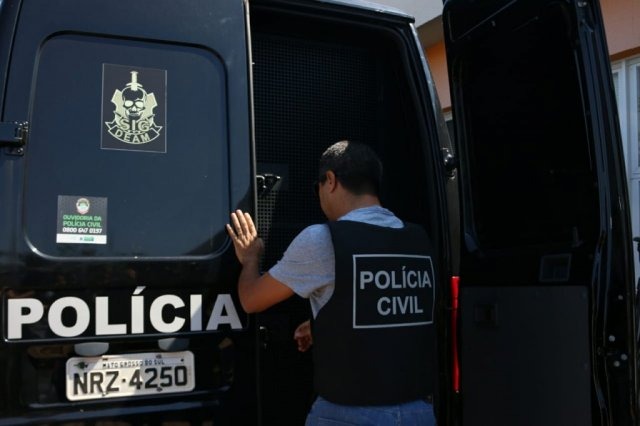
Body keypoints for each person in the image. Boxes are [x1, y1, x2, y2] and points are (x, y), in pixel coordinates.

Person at [226, 140, 437, 426]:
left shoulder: (322, 239)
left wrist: (251, 258)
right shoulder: (418, 240)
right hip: (419, 413)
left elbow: (251, 299)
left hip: (349, 415)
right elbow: (391, 312)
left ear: (331, 180)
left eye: (318, 187)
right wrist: (321, 326)